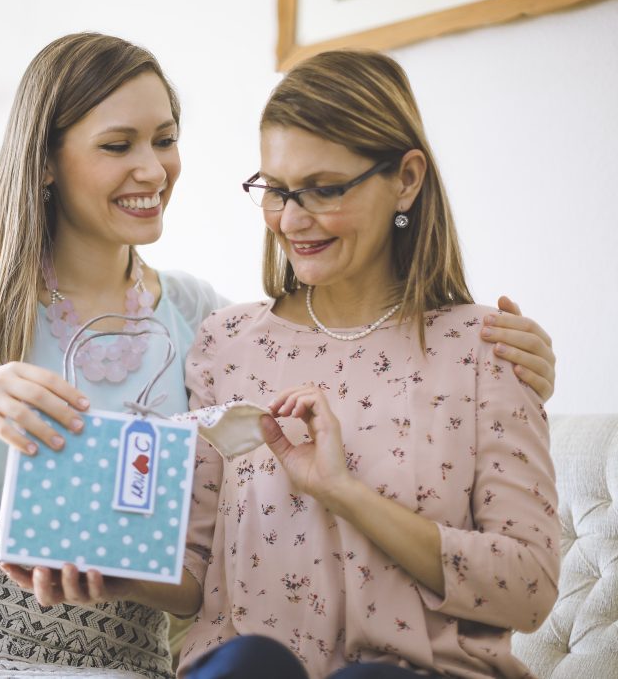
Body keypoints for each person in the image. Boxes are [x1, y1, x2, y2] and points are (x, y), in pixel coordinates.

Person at [0, 33, 557, 677]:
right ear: (45, 161)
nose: (152, 167)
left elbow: (194, 554)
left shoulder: (204, 321)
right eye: (117, 144)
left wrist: (516, 368)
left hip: (128, 648)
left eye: (164, 139)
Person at [175, 50, 561, 678]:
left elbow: (530, 586)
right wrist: (109, 576)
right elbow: (191, 570)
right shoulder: (227, 343)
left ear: (406, 179)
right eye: (275, 190)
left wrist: (343, 493)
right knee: (246, 663)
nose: (292, 219)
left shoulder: (485, 349)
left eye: (325, 189)